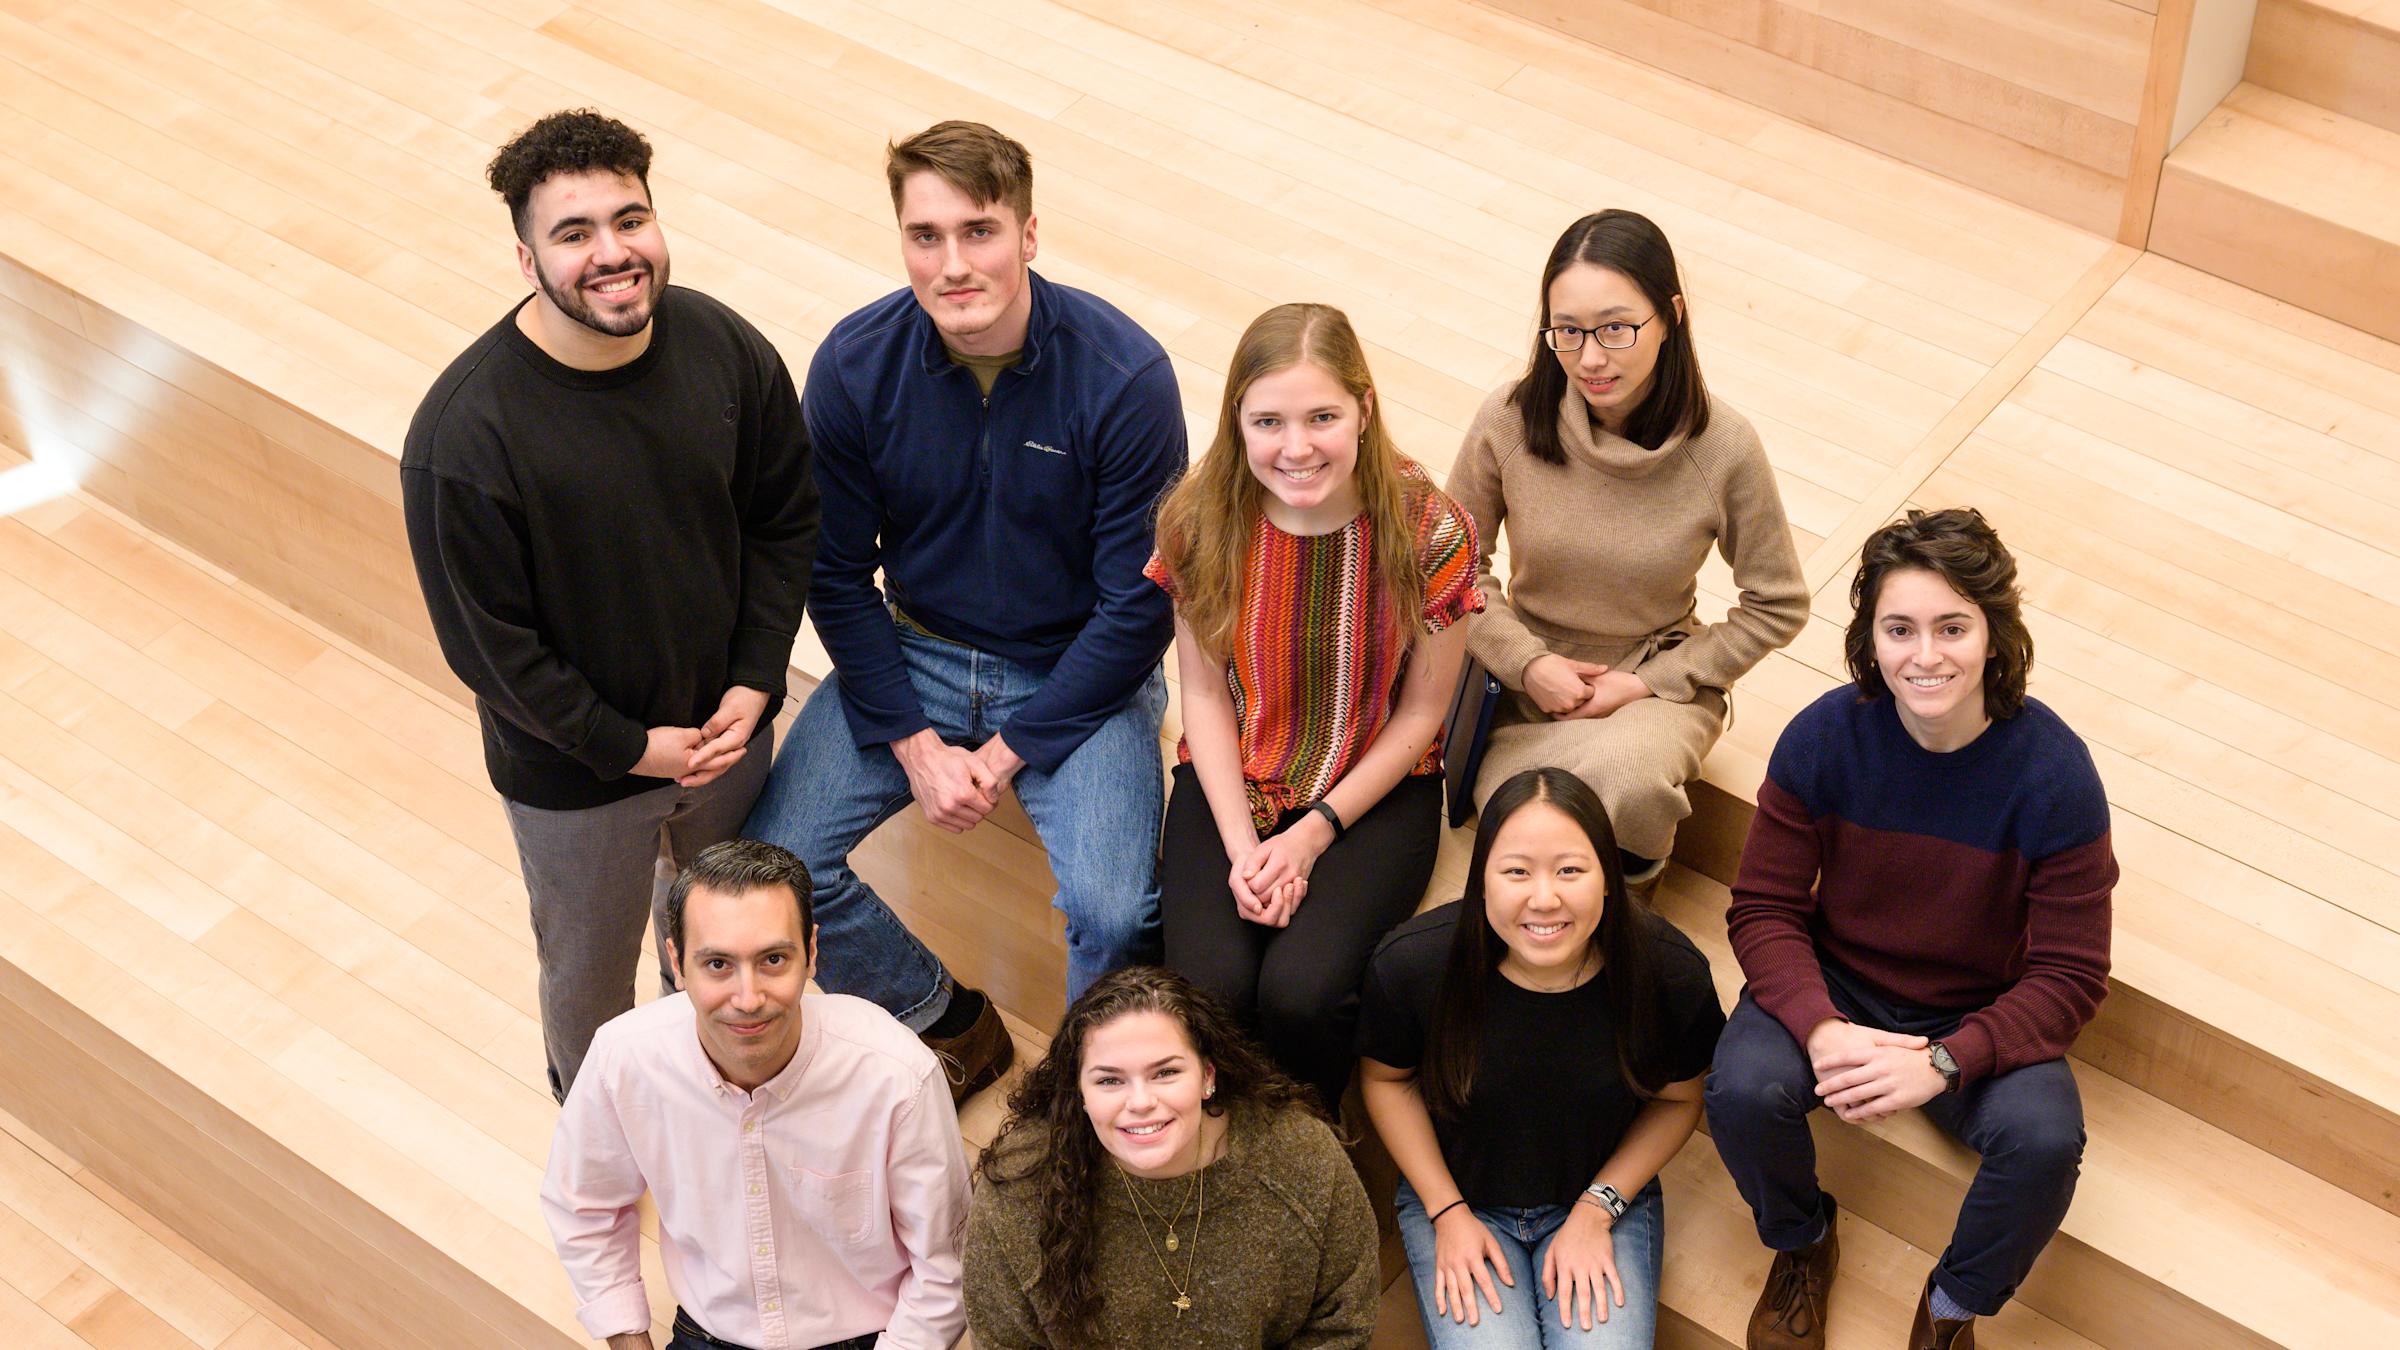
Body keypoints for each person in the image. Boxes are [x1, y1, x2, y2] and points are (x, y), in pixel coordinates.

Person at [746, 121, 1183, 1103]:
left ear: (1028, 234)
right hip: (919, 648)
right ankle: (945, 1021)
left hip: (1079, 666)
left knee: (1117, 912)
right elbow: (833, 574)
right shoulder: (855, 365)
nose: (953, 264)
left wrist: (1004, 753)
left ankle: (1082, 1106)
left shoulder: (1124, 377)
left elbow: (1138, 607)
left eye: (978, 231)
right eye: (926, 236)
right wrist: (914, 743)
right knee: (769, 872)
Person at [403, 110, 817, 1100]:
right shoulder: (464, 436)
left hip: (726, 737)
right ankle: (602, 1129)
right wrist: (631, 747)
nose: (612, 253)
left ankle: (724, 1096)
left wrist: (756, 679)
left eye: (630, 220)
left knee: (729, 946)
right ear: (526, 259)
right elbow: (491, 650)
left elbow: (783, 519)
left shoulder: (724, 347)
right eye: (574, 232)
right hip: (576, 777)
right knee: (588, 981)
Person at [1705, 508, 2117, 1350]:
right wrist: (1820, 1027)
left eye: (1952, 627)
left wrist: (1944, 1061)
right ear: (1872, 639)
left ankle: (1952, 1307)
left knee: (2045, 1142)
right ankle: (1804, 1243)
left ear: (1995, 637)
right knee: (1740, 1090)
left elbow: (2071, 977)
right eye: (1900, 629)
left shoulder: (2056, 775)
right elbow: (1764, 908)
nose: (1925, 656)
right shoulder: (1823, 738)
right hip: (1840, 983)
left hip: (1975, 1005)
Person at [1148, 302, 1481, 1113]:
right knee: (1209, 987)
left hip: (1377, 787)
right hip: (1238, 772)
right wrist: (1243, 850)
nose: (1296, 448)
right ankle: (1225, 1136)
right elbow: (1203, 694)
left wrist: (1310, 835)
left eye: (1322, 417)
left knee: (1303, 993)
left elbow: (1422, 715)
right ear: (1237, 420)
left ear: (1364, 409)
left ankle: (1312, 1135)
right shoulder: (1198, 520)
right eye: (1269, 422)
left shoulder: (1430, 529)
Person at [1445, 210, 1807, 899]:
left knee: (1632, 783)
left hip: (1653, 684)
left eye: (1615, 329)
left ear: (1671, 316)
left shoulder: (1725, 447)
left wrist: (1647, 682)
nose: (1589, 359)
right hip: (1525, 684)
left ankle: (1629, 927)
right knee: (1536, 825)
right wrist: (1529, 663)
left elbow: (1777, 604)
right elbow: (1449, 567)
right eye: (1568, 331)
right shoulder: (1509, 419)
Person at [541, 839, 969, 1350]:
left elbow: (946, 1267)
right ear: (677, 962)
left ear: (811, 953)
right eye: (718, 964)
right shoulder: (623, 1058)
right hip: (708, 1334)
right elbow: (583, 1205)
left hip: (869, 1339)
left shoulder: (897, 1076)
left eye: (773, 959)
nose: (748, 999)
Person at [1359, 768, 1723, 1348]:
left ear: (1609, 878)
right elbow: (1385, 1080)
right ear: (1482, 879)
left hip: (1600, 1193)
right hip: (1459, 1195)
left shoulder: (1667, 971)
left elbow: (1680, 1099)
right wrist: (1447, 1212)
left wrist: (1598, 1209)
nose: (1545, 898)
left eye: (1571, 870)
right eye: (1516, 871)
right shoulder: (1414, 964)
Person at [963, 966, 1379, 1348]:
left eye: (1166, 1072)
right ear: (1080, 1094)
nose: (1141, 1102)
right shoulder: (1019, 1189)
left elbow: (1344, 1324)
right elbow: (1000, 1339)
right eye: (1109, 1080)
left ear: (1208, 1076)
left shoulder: (1300, 1156)